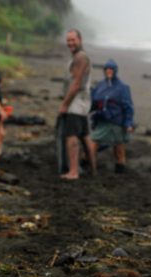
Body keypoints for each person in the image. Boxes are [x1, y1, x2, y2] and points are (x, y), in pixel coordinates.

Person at [58, 29, 96, 180]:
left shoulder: (81, 57)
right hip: (82, 102)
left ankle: (74, 172)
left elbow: (76, 83)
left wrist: (65, 104)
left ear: (80, 39)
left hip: (77, 102)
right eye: (68, 40)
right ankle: (93, 170)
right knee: (85, 136)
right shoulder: (78, 57)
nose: (70, 43)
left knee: (71, 136)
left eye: (73, 40)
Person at [90, 59, 134, 174]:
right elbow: (92, 103)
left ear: (115, 71)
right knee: (92, 143)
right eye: (107, 69)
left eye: (111, 69)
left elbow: (128, 107)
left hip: (116, 122)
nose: (109, 71)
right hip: (102, 120)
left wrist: (128, 123)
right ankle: (89, 167)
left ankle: (120, 172)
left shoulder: (122, 88)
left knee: (118, 149)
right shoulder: (100, 86)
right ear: (104, 70)